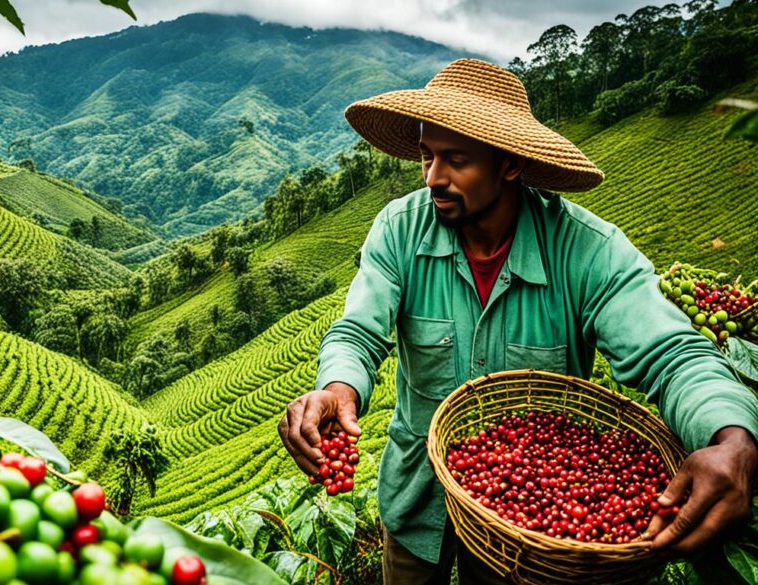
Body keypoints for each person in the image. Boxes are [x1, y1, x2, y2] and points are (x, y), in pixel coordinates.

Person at [276, 58, 758, 584]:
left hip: (526, 534)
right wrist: (337, 387)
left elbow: (673, 354)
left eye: (455, 160)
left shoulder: (586, 251)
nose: (434, 177)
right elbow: (359, 331)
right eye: (427, 156)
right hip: (417, 505)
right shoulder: (399, 229)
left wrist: (732, 440)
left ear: (509, 164)